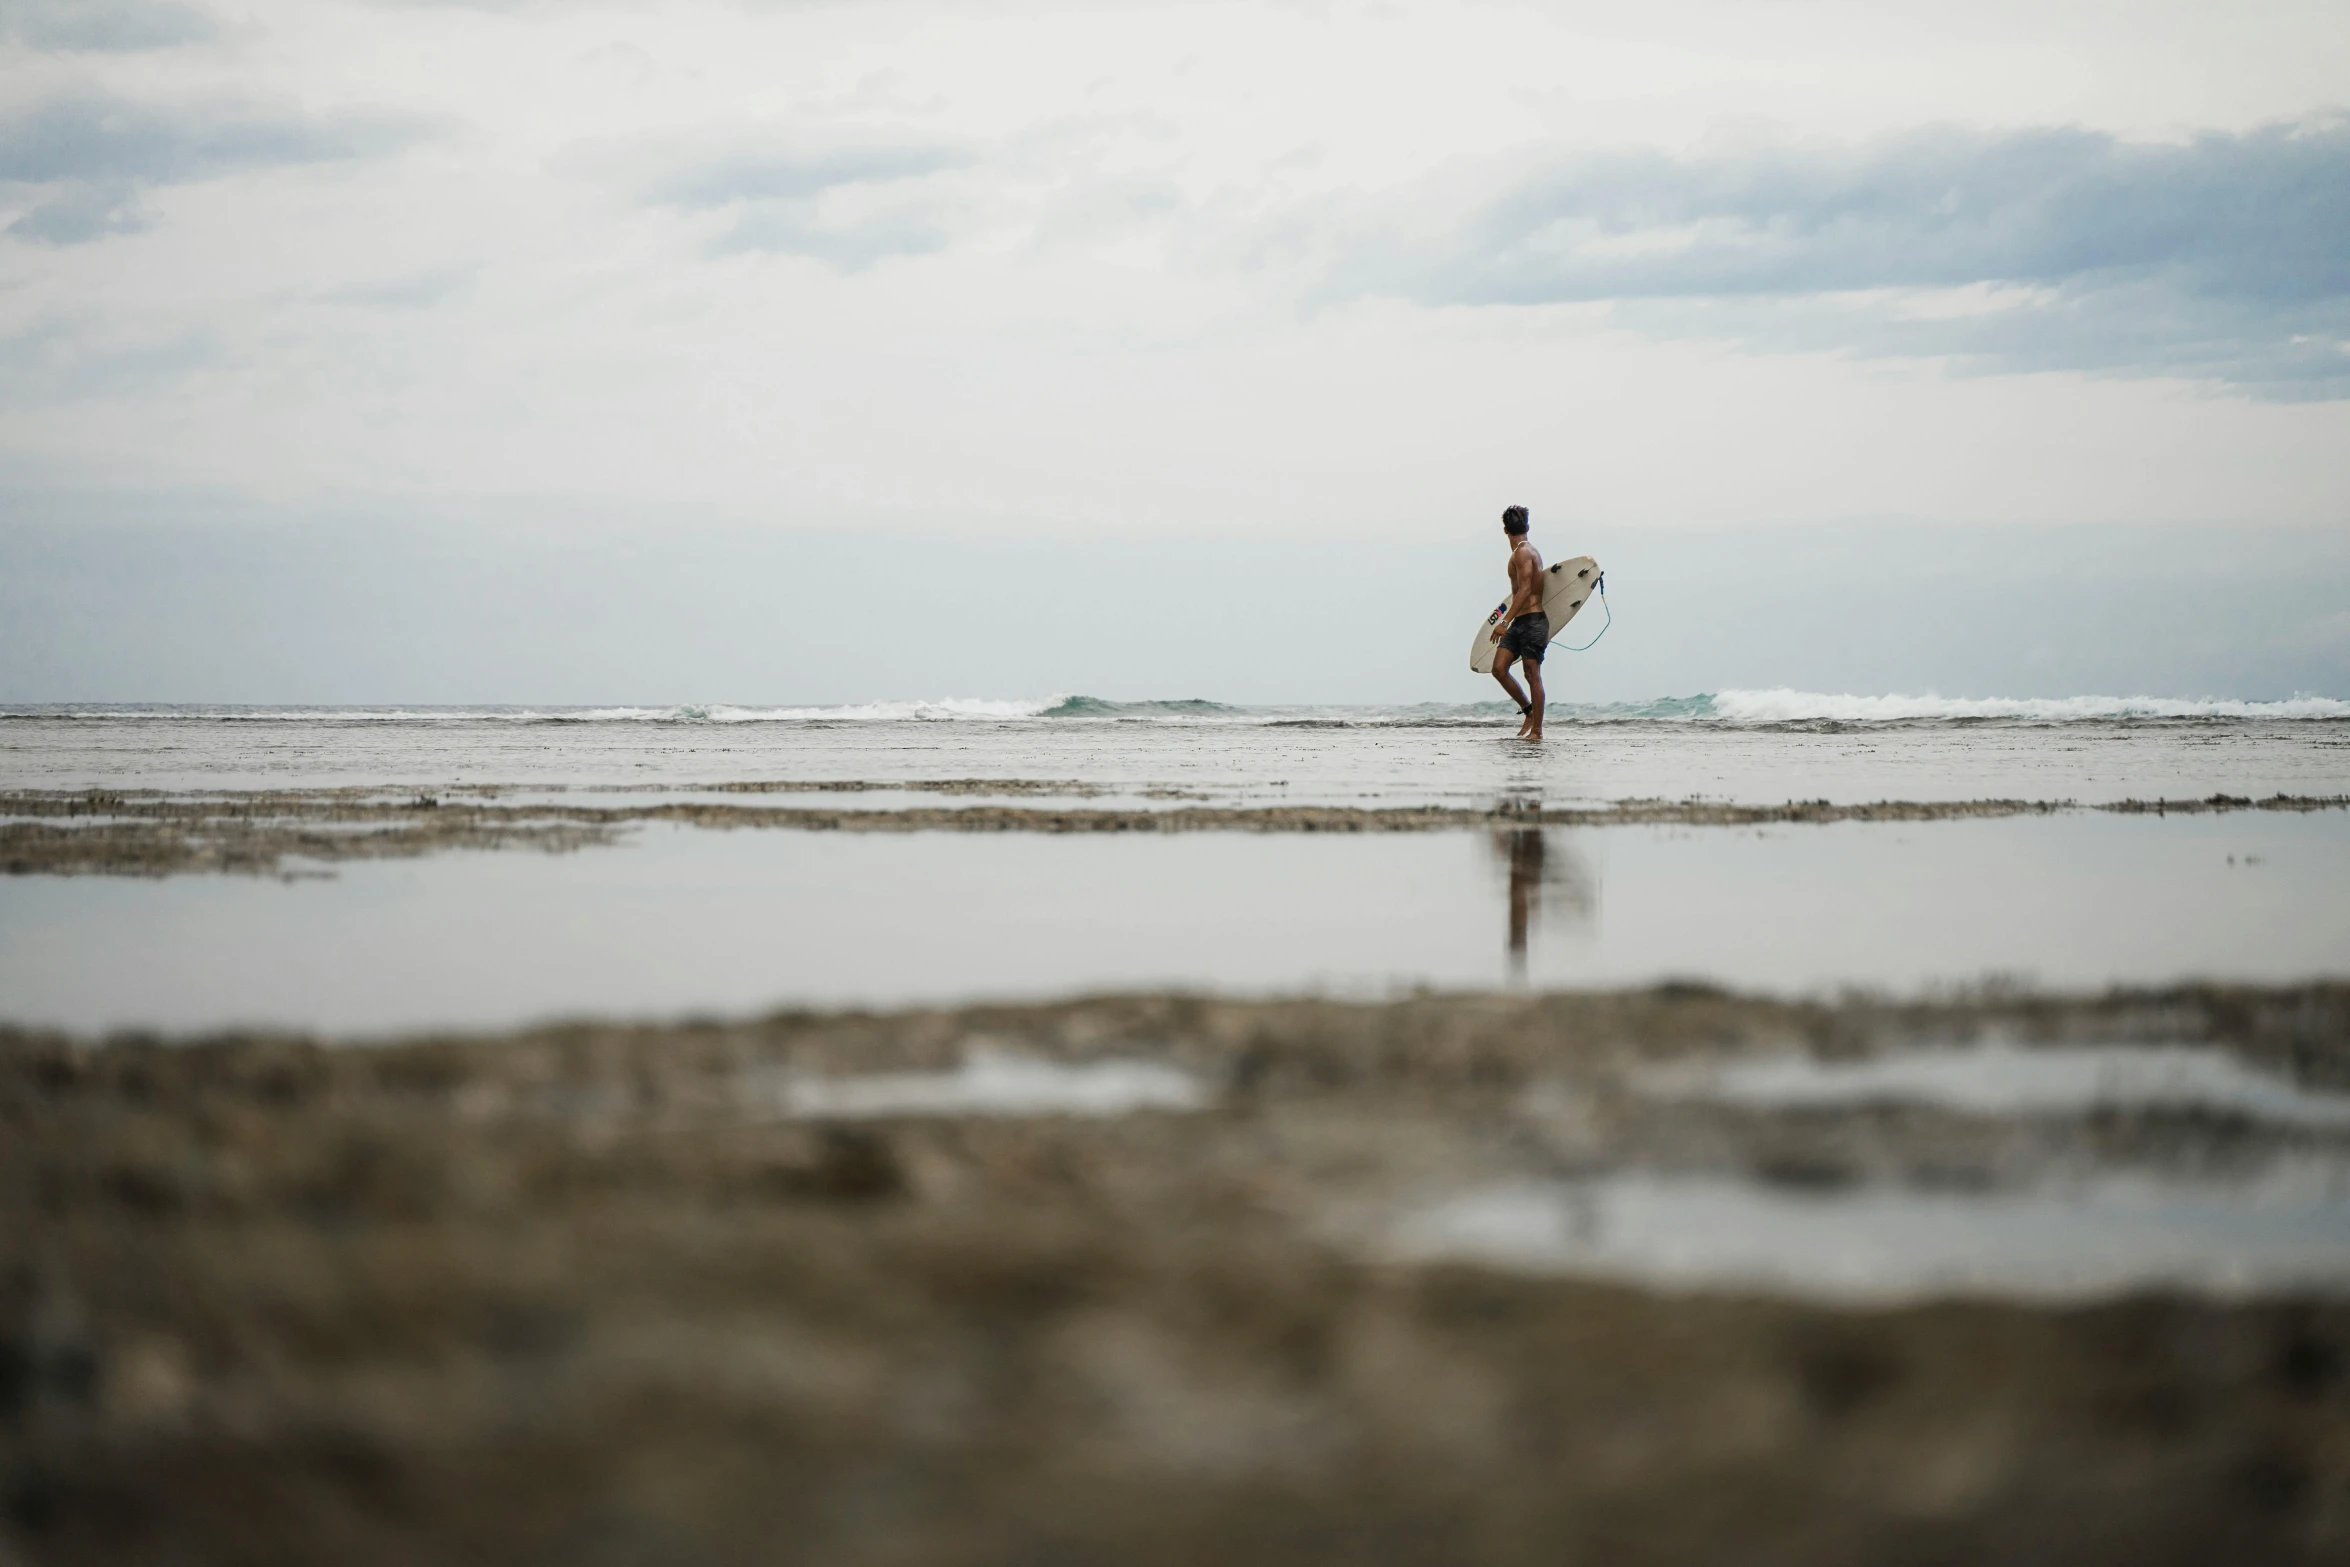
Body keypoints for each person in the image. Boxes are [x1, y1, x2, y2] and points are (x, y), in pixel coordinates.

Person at [1488, 504, 1547, 740]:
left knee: (1532, 674)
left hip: (1532, 620)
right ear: (1527, 527)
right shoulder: (1523, 552)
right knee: (1499, 669)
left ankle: (1538, 731)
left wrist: (1505, 621)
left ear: (1505, 531)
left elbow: (1524, 591)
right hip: (1521, 622)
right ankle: (1529, 711)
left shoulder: (1523, 552)